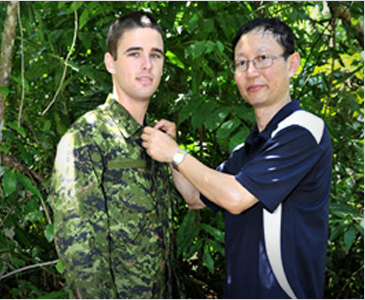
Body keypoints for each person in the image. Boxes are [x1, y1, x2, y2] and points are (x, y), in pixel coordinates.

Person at [141, 17, 332, 299]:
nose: (251, 72)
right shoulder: (246, 151)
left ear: (292, 64)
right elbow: (195, 197)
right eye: (241, 63)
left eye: (262, 58)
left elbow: (236, 197)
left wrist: (176, 154)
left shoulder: (304, 130)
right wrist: (173, 153)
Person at [50, 11, 182, 299]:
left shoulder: (154, 141)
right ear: (111, 62)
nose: (147, 65)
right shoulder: (85, 138)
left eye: (156, 55)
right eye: (134, 53)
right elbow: (82, 259)